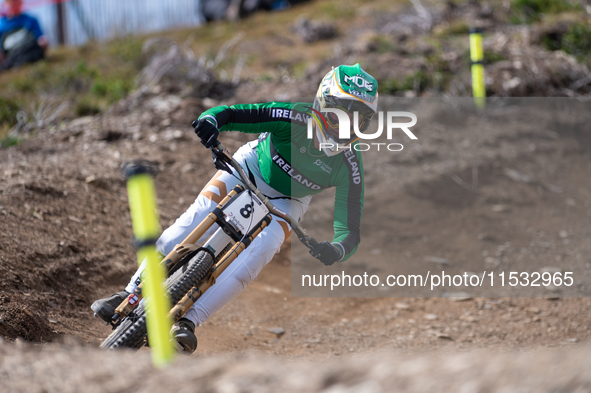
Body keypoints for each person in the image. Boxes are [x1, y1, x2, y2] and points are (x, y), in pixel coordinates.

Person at [92, 64, 378, 353]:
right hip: (249, 168)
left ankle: (187, 321)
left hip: (289, 201)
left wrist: (336, 249)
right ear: (321, 104)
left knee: (260, 253)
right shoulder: (292, 117)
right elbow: (234, 114)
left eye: (358, 120)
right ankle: (129, 295)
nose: (346, 126)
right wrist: (210, 121)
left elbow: (350, 231)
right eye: (339, 114)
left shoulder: (349, 165)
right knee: (188, 224)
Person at [0, 0, 48, 70]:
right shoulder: (1, 25)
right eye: (12, 2)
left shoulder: (31, 20)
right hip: (11, 55)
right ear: (6, 4)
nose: (14, 4)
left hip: (30, 50)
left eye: (17, 1)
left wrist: (43, 42)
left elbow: (41, 39)